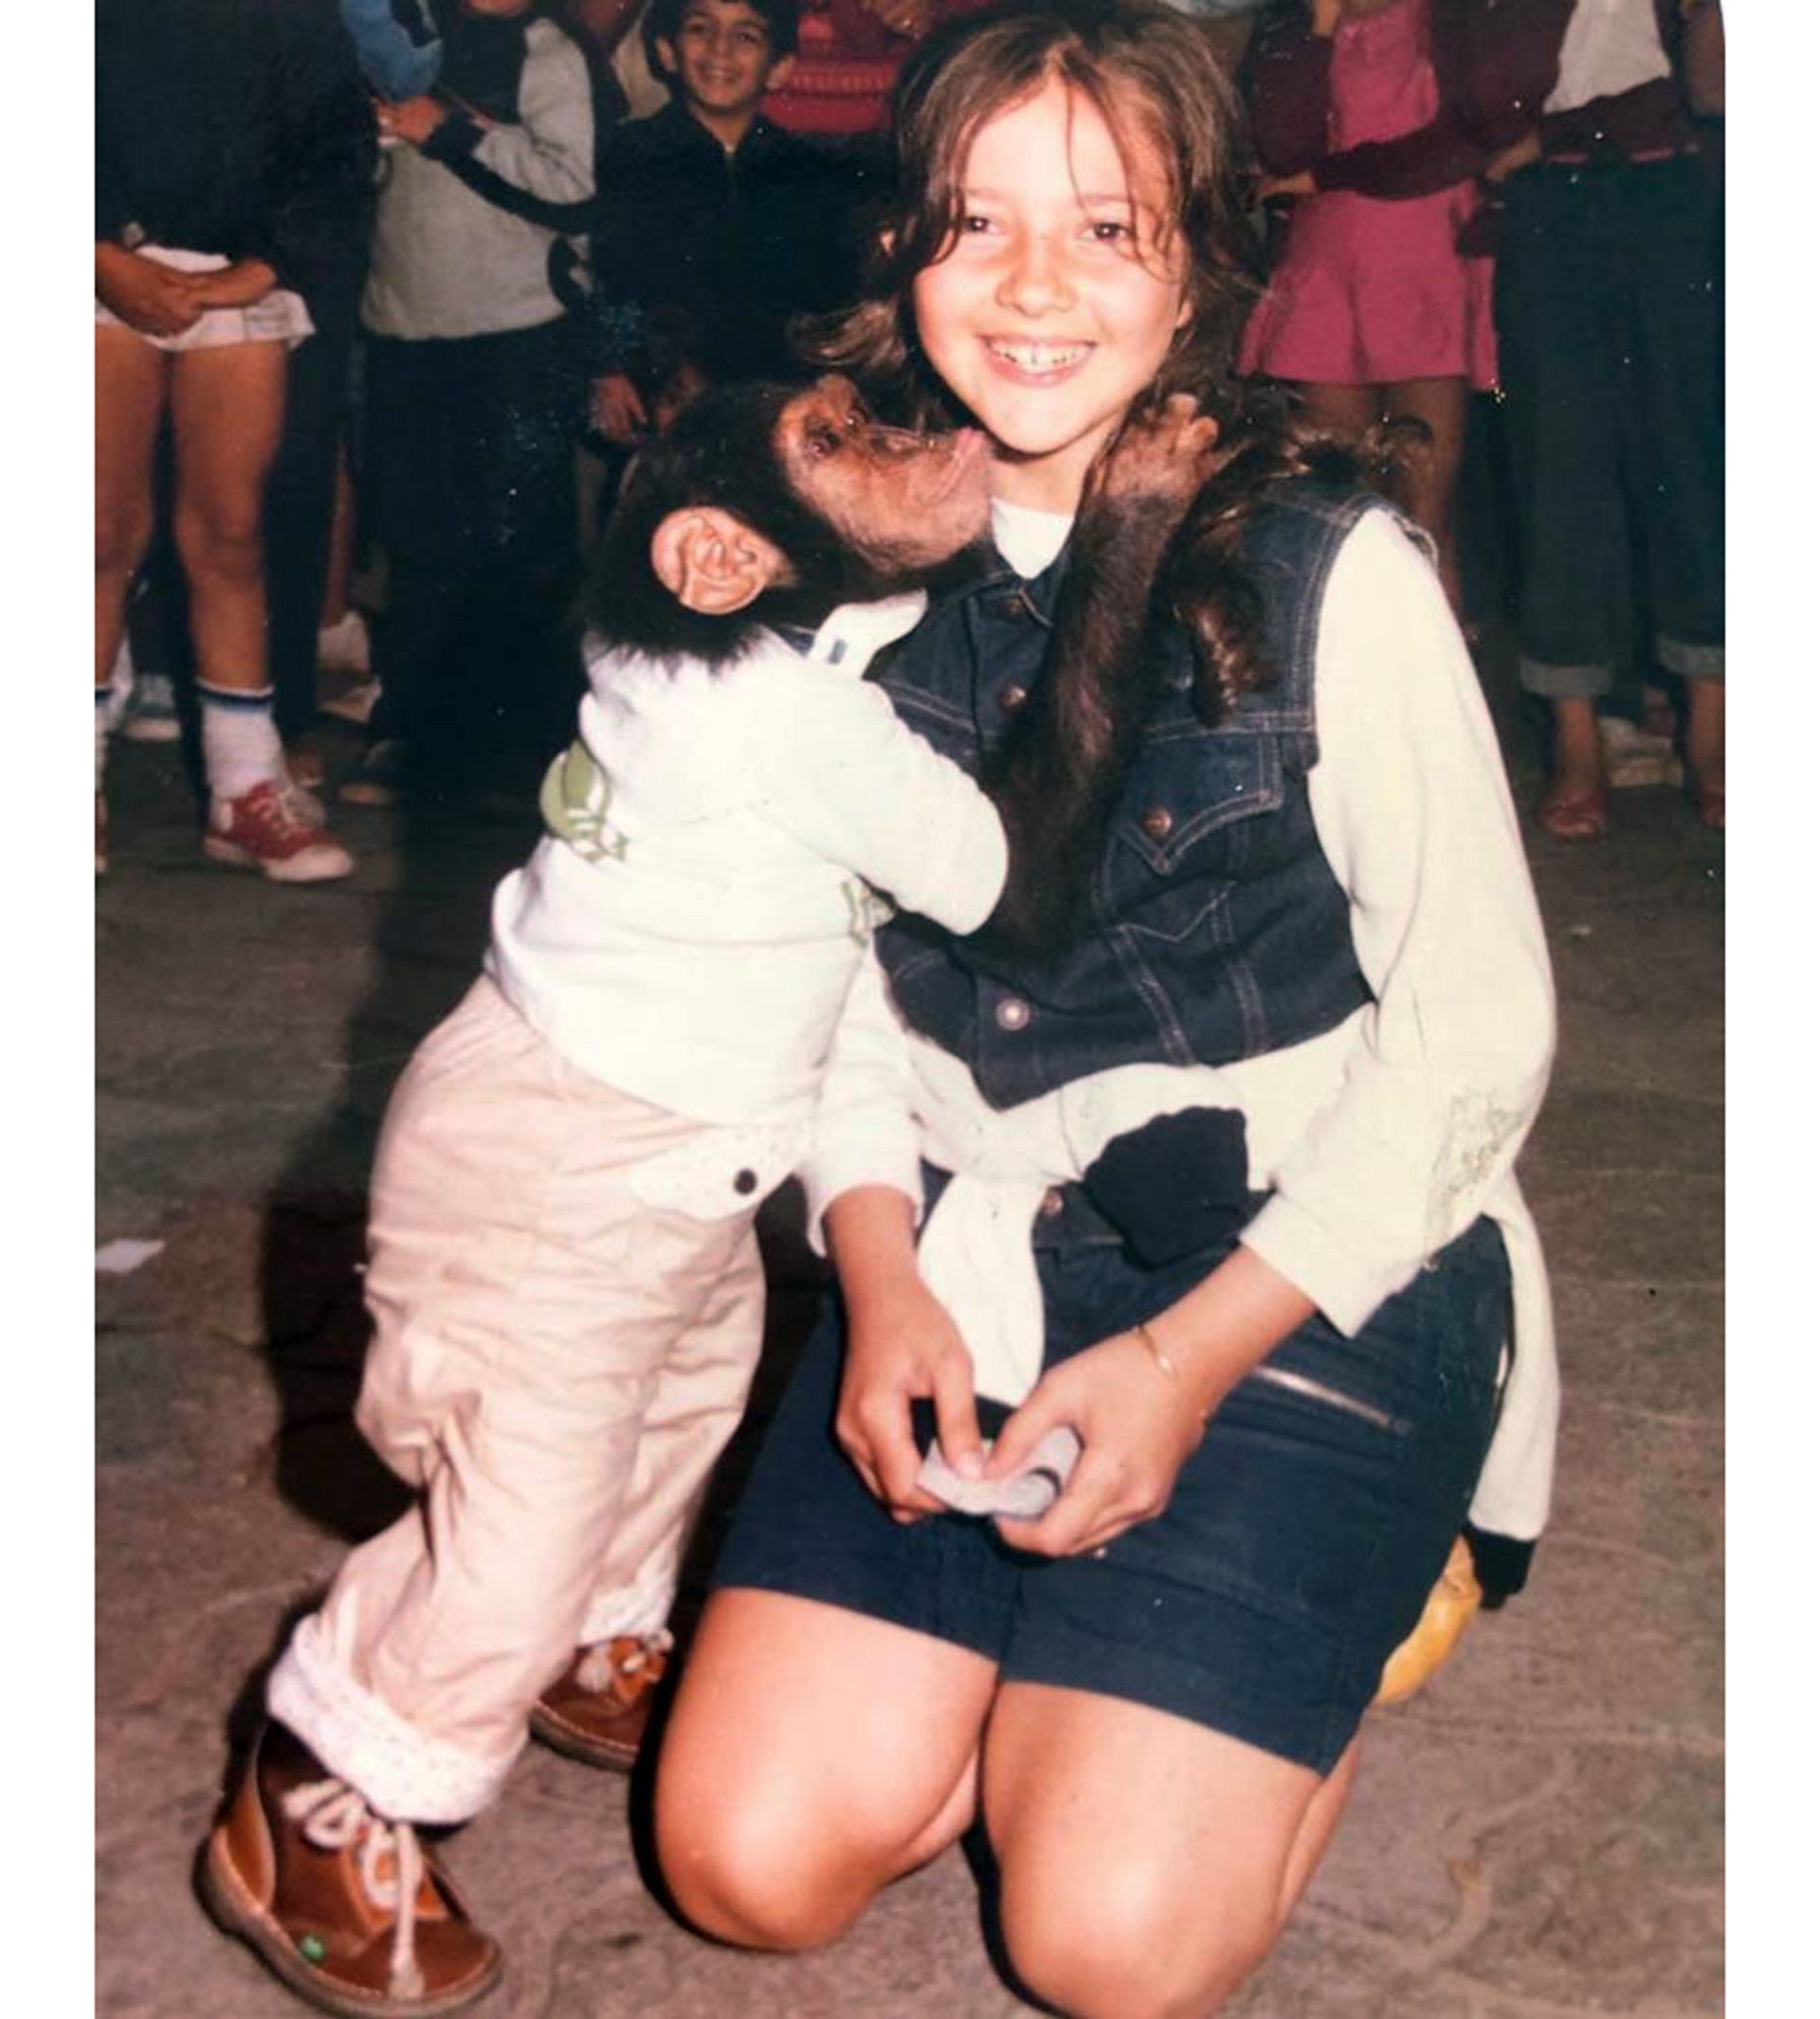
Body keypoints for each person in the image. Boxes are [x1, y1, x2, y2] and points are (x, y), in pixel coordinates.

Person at [651, 7, 1558, 2014]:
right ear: (904, 248)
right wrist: (877, 1276)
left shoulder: (1330, 563)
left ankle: (1349, 1598)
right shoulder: (839, 572)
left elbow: (1478, 1037)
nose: (1035, 286)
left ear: (1199, 263)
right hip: (971, 1242)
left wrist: (1179, 1364)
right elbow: (836, 992)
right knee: (747, 1862)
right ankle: (1076, 1685)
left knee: (1102, 1941)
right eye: (977, 223)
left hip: (1304, 1254)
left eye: (1107, 228)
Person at [196, 378, 1012, 2019]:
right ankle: (325, 1783)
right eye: (847, 442)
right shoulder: (789, 718)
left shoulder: (699, 652)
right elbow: (987, 874)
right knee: (524, 1515)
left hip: (651, 1154)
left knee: (683, 1395)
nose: (922, 442)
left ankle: (591, 1638)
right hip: (558, 1170)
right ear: (722, 559)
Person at [95, 0, 369, 881]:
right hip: (94, 262)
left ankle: (243, 787)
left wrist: (263, 266)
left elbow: (333, 142)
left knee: (231, 531)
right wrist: (101, 256)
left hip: (237, 275)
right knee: (96, 531)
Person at [1469, 0, 1723, 837]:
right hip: (1549, 208)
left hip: (1673, 192)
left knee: (1693, 461)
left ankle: (1714, 729)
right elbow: (1481, 96)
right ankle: (1577, 740)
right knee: (1558, 467)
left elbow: (1710, 90)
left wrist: (1562, 130)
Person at [346, 0, 601, 806]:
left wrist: (449, 131)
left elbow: (574, 186)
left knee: (523, 541)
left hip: (519, 336)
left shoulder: (548, 50)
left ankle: (528, 739)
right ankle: (414, 727)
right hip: (406, 328)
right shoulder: (400, 41)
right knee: (418, 539)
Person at [1238, 0, 1498, 614]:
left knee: (1424, 507)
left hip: (1425, 257)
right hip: (1329, 265)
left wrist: (1322, 177)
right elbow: (1283, 146)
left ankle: (1432, 656)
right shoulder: (1293, 22)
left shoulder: (1443, 16)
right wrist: (1320, 28)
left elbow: (1463, 142)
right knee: (1336, 502)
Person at [586, 0, 861, 450]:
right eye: (700, 28)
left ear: (779, 68)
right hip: (660, 397)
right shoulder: (626, 158)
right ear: (667, 51)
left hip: (777, 397)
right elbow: (597, 273)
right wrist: (607, 367)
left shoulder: (807, 171)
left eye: (745, 36)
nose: (720, 49)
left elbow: (834, 295)